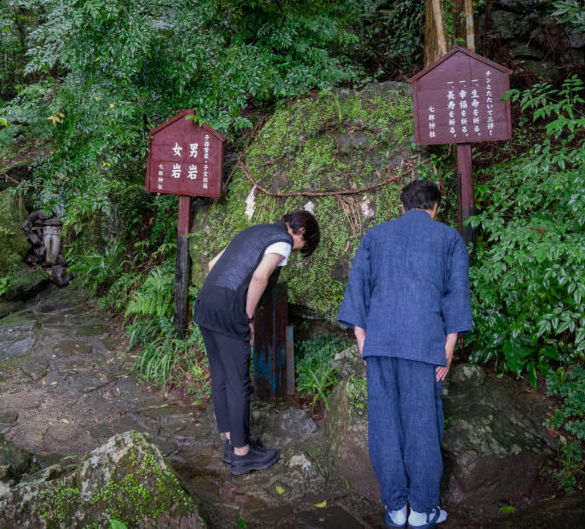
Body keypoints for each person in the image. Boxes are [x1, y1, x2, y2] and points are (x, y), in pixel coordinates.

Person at [336, 179, 472, 528]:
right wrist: (449, 345)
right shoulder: (448, 238)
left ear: (402, 206)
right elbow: (455, 293)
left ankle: (395, 507)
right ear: (435, 207)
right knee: (423, 425)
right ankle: (423, 510)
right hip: (424, 342)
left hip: (379, 342)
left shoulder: (375, 236)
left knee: (384, 424)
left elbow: (358, 289)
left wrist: (361, 339)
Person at [194, 209, 320, 475]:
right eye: (302, 247)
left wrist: (218, 299)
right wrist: (248, 317)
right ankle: (241, 455)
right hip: (230, 310)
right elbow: (261, 276)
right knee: (238, 382)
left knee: (221, 376)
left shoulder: (251, 231)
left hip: (206, 303)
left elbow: (212, 265)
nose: (295, 251)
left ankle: (232, 441)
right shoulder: (282, 240)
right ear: (301, 233)